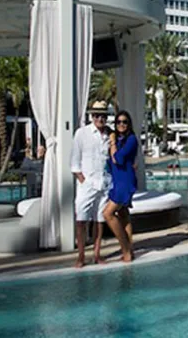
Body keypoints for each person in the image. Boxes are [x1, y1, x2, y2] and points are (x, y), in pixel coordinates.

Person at [70, 101, 112, 268]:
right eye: (96, 115)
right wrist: (82, 178)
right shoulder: (82, 133)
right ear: (92, 116)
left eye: (102, 115)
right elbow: (74, 159)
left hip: (104, 183)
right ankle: (81, 256)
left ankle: (96, 254)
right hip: (87, 183)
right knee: (81, 219)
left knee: (99, 221)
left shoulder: (110, 134)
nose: (99, 118)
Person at [103, 110, 138, 262]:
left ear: (129, 124)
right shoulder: (120, 140)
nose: (121, 125)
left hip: (124, 182)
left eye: (124, 122)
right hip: (118, 181)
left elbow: (117, 159)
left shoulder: (131, 139)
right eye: (118, 122)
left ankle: (125, 251)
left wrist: (111, 141)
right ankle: (130, 250)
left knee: (108, 214)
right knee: (123, 215)